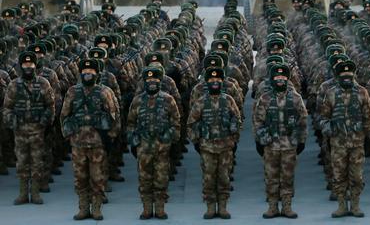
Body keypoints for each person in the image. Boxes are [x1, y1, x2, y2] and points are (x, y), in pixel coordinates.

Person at [60, 59, 120, 220]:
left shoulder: (104, 92)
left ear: (97, 74)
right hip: (78, 143)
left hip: (97, 143)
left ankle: (97, 208)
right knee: (80, 177)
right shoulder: (73, 92)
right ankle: (83, 208)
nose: (88, 75)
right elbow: (64, 116)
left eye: (91, 72)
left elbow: (114, 116)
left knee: (97, 177)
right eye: (85, 72)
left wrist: (110, 139)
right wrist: (68, 136)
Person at [318, 60, 370, 218]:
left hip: (357, 143)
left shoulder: (362, 92)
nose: (347, 77)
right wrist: (330, 131)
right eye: (343, 75)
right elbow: (323, 118)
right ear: (338, 76)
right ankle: (342, 205)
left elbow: (368, 115)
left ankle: (355, 205)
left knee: (356, 176)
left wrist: (367, 133)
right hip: (338, 143)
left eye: (349, 74)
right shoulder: (331, 93)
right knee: (339, 175)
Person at [253, 64, 308, 219]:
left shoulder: (296, 98)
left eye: (283, 77)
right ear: (272, 79)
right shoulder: (265, 99)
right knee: (271, 177)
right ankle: (272, 207)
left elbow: (302, 120)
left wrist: (301, 140)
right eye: (277, 77)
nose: (280, 79)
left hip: (289, 145)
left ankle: (287, 206)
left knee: (287, 177)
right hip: (270, 145)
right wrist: (261, 140)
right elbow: (258, 121)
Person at [2, 51, 56, 205]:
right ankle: (23, 193)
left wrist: (45, 122)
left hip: (38, 130)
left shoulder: (44, 83)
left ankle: (36, 193)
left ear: (35, 65)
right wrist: (13, 122)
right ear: (21, 66)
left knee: (37, 162)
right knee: (21, 162)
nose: (28, 67)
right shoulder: (13, 85)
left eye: (31, 64)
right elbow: (7, 108)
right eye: (25, 64)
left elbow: (50, 106)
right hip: (20, 130)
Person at [127, 66, 180, 220]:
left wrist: (168, 138)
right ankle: (147, 209)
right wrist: (134, 140)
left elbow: (176, 122)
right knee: (144, 179)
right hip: (143, 147)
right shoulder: (137, 101)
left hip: (162, 148)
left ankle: (160, 209)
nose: (152, 82)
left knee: (161, 179)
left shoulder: (168, 99)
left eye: (155, 80)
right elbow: (130, 123)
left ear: (160, 81)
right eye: (149, 80)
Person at [188, 66, 241, 219]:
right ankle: (210, 207)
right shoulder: (201, 102)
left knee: (224, 178)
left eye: (218, 79)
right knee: (208, 178)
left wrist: (234, 140)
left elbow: (237, 120)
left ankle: (223, 207)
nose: (215, 82)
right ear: (207, 82)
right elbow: (191, 123)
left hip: (226, 147)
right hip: (207, 147)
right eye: (211, 79)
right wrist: (197, 142)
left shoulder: (228, 100)